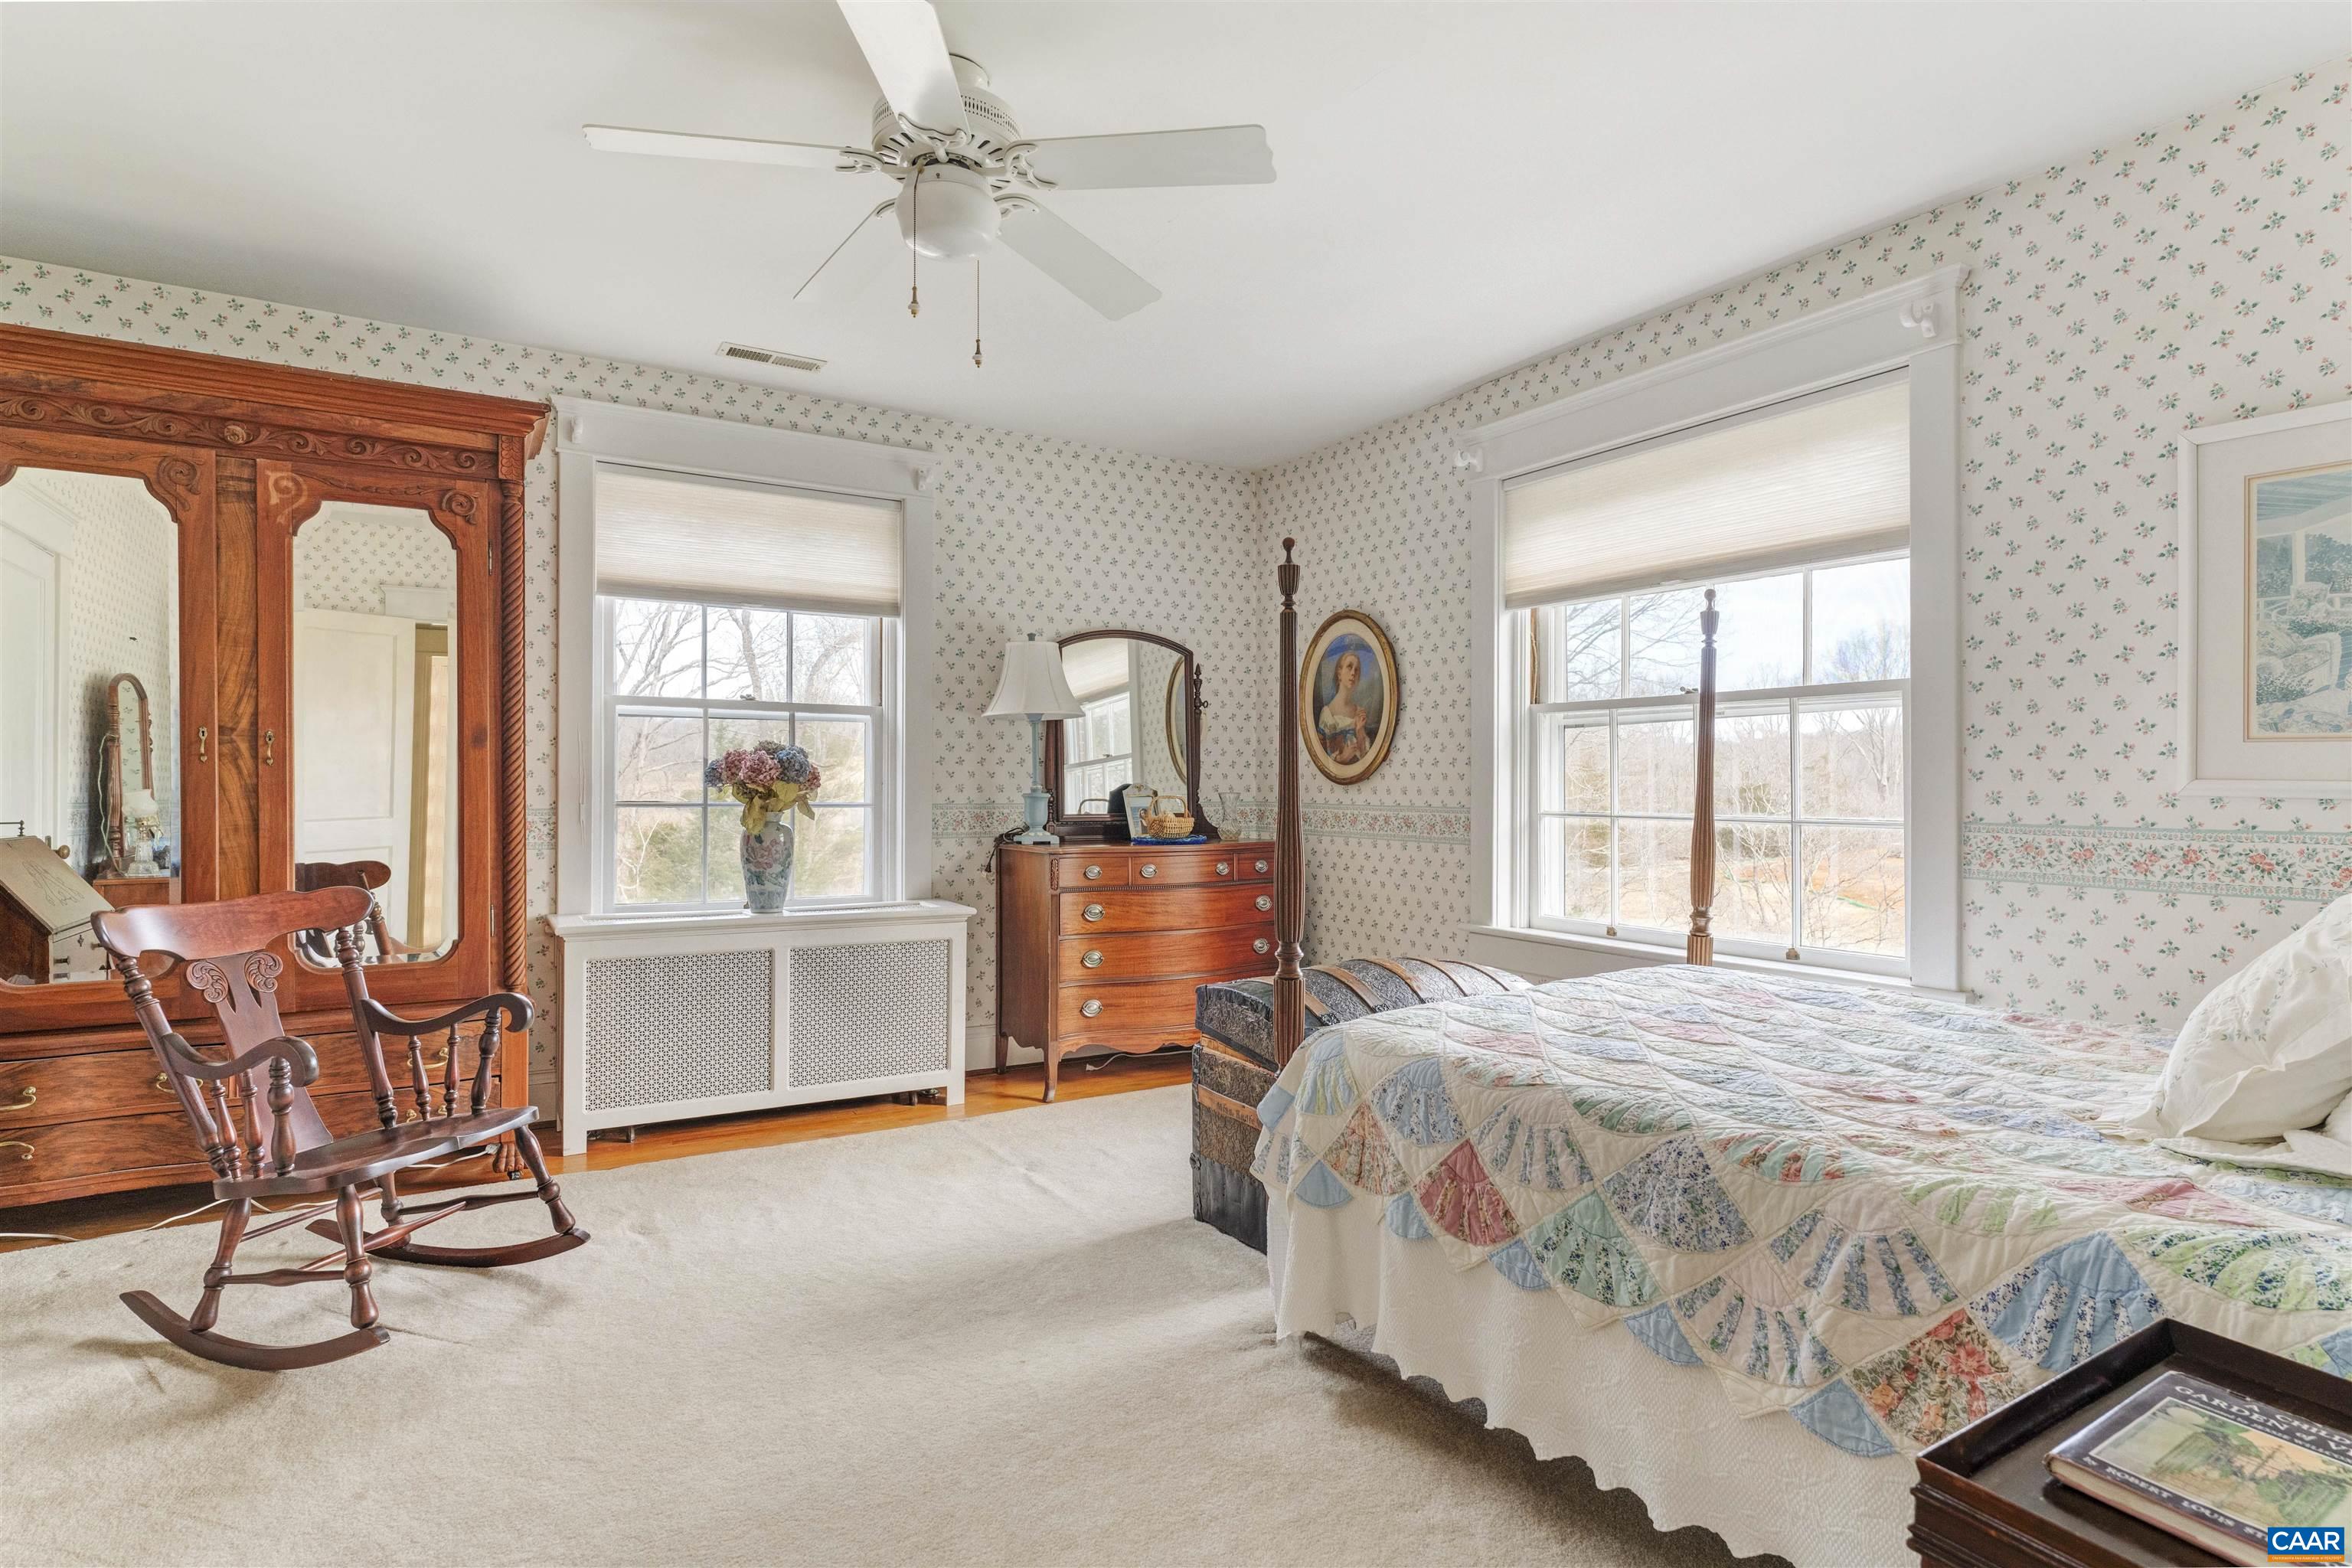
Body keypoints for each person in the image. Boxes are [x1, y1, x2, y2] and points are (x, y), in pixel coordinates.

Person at [1318, 645, 1378, 766]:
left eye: (1357, 670)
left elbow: (1365, 757)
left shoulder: (1359, 711)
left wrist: (1359, 730)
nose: (1353, 673)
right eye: (1349, 667)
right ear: (1339, 673)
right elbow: (1322, 759)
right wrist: (1342, 758)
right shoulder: (1327, 713)